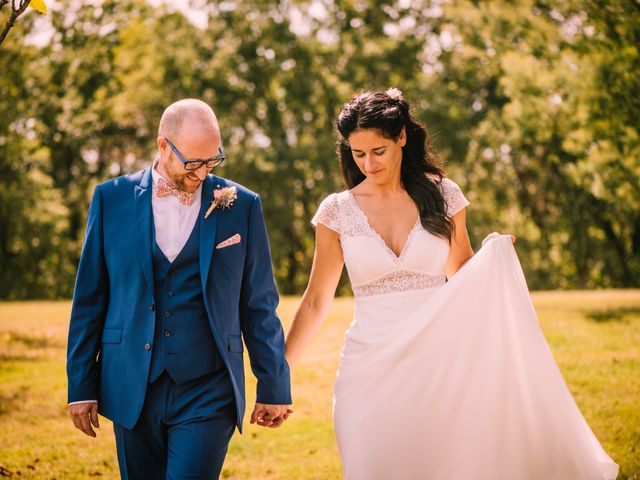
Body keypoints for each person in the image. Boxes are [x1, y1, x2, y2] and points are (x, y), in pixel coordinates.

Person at [285, 88, 618, 479]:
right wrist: (280, 373)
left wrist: (493, 257)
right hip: (367, 368)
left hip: (441, 362)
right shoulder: (336, 210)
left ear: (402, 138)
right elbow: (315, 301)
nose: (368, 164)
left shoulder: (443, 195)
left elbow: (461, 270)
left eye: (378, 151)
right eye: (358, 154)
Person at [66, 99, 292, 479]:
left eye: (213, 161)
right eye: (193, 163)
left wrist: (274, 385)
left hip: (209, 388)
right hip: (131, 384)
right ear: (162, 146)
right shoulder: (111, 199)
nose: (203, 173)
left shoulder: (242, 205)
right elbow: (90, 298)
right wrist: (81, 385)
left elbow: (258, 304)